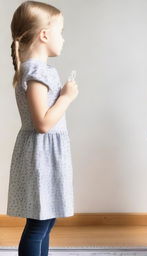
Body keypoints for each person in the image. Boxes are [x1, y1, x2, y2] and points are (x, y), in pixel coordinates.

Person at [7, 1, 78, 255]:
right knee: (38, 224)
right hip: (41, 156)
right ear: (44, 35)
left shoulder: (39, 70)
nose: (63, 38)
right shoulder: (36, 72)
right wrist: (67, 98)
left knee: (46, 221)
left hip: (45, 154)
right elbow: (43, 123)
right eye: (60, 31)